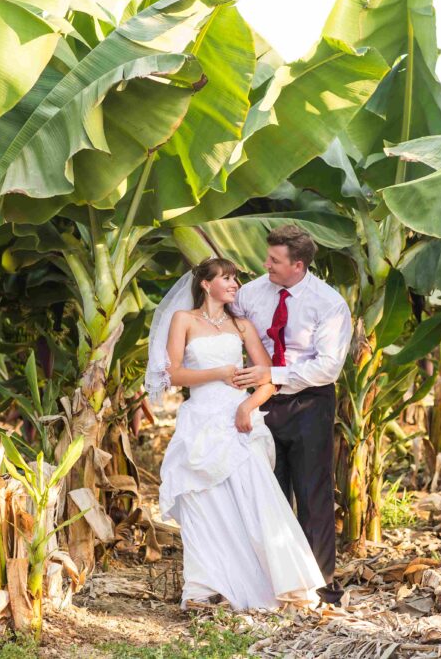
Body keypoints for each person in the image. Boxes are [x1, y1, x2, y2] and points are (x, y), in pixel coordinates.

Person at [146, 257, 325, 610]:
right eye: (226, 278)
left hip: (237, 419)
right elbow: (174, 375)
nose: (234, 284)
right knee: (203, 505)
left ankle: (282, 582)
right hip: (201, 418)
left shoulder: (242, 326)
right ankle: (202, 588)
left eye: (235, 279)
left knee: (256, 500)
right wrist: (218, 372)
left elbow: (268, 376)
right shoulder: (184, 320)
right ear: (204, 284)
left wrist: (248, 406)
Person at [230, 225, 352, 604]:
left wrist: (274, 375)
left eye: (275, 261)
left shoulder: (328, 303)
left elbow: (328, 367)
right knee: (270, 492)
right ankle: (274, 582)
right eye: (267, 257)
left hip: (309, 403)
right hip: (260, 402)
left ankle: (319, 584)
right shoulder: (251, 294)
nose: (266, 265)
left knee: (313, 493)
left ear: (298, 265)